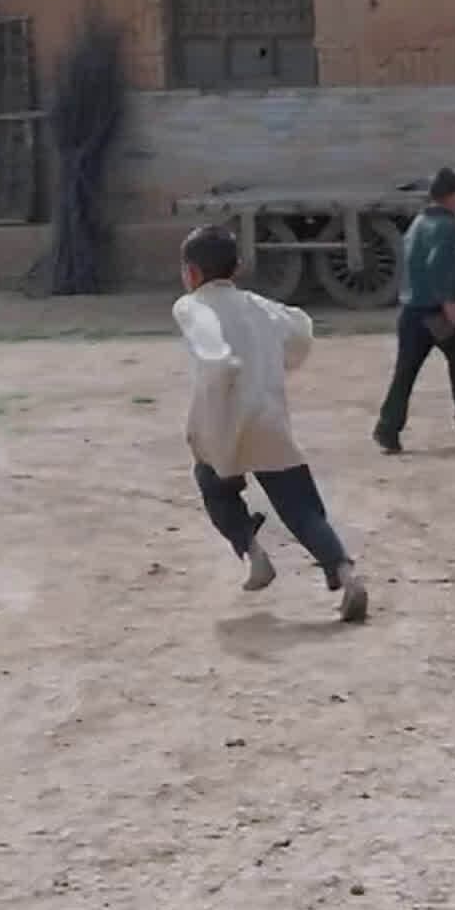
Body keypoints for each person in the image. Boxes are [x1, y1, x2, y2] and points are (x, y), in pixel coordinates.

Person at [175, 222, 365, 623]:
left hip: (220, 425)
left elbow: (210, 346)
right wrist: (277, 363)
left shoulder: (190, 306)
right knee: (301, 507)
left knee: (214, 486)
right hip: (268, 418)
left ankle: (253, 552)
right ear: (237, 267)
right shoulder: (260, 306)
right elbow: (301, 332)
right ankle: (345, 572)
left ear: (191, 273)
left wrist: (222, 362)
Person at [370, 168, 455, 453]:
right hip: (432, 314)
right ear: (452, 196)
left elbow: (425, 258)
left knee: (405, 372)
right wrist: (451, 308)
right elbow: (438, 269)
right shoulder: (445, 225)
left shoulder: (420, 221)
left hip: (411, 311)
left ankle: (387, 429)